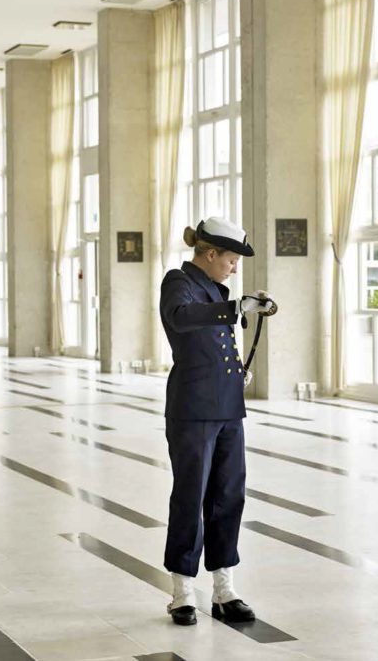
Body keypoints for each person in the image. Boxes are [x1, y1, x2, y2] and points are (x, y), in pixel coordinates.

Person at [159, 217, 276, 625]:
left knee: (229, 496)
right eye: (231, 259)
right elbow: (182, 317)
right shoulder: (179, 282)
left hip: (227, 407)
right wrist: (233, 307)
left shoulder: (214, 287)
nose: (234, 267)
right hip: (193, 409)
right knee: (191, 497)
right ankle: (182, 592)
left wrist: (244, 309)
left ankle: (224, 587)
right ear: (209, 254)